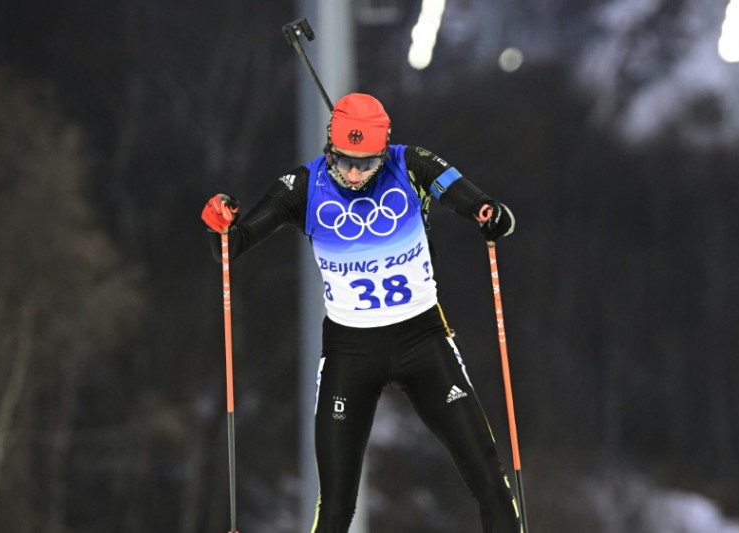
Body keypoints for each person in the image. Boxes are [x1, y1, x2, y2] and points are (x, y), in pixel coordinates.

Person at [201, 93, 520, 532]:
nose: (353, 174)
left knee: (488, 477)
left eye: (366, 164)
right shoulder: (302, 187)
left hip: (423, 341)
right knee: (335, 504)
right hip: (351, 352)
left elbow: (482, 207)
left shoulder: (411, 165)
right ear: (329, 147)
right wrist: (217, 222)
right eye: (343, 161)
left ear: (383, 152)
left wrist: (491, 216)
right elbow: (232, 246)